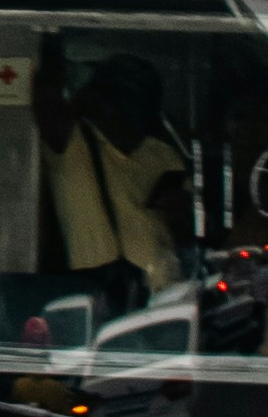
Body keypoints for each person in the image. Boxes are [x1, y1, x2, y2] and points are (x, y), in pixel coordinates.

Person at [37, 51, 190, 289]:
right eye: (120, 100)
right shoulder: (72, 145)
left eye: (139, 100)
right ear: (97, 100)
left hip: (165, 293)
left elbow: (186, 233)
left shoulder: (163, 154)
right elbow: (45, 92)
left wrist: (180, 212)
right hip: (101, 295)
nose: (128, 111)